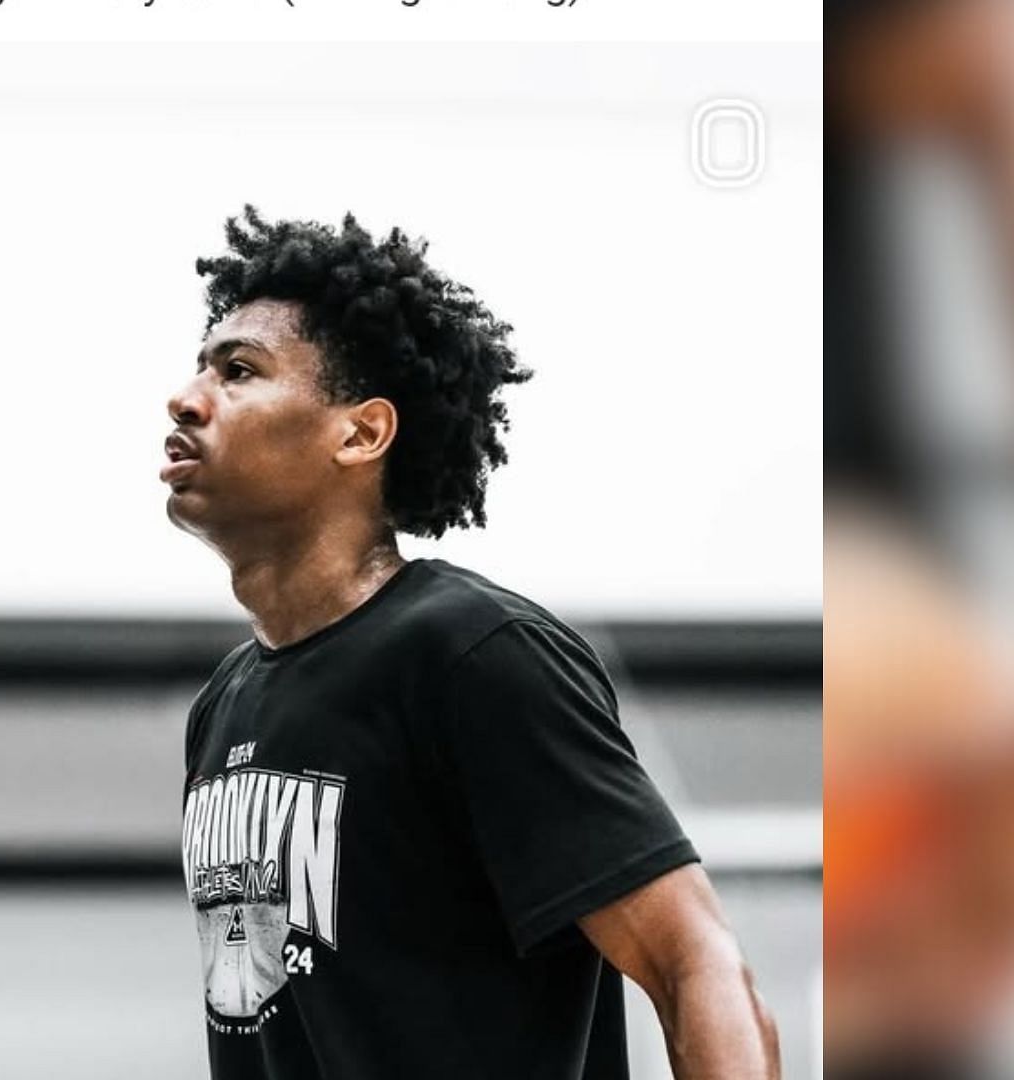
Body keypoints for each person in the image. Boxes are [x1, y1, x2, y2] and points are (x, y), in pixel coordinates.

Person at [164, 208, 781, 1079]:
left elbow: (696, 964)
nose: (187, 397)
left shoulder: (473, 655)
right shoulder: (222, 709)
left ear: (361, 433)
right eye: (199, 368)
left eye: (239, 371)